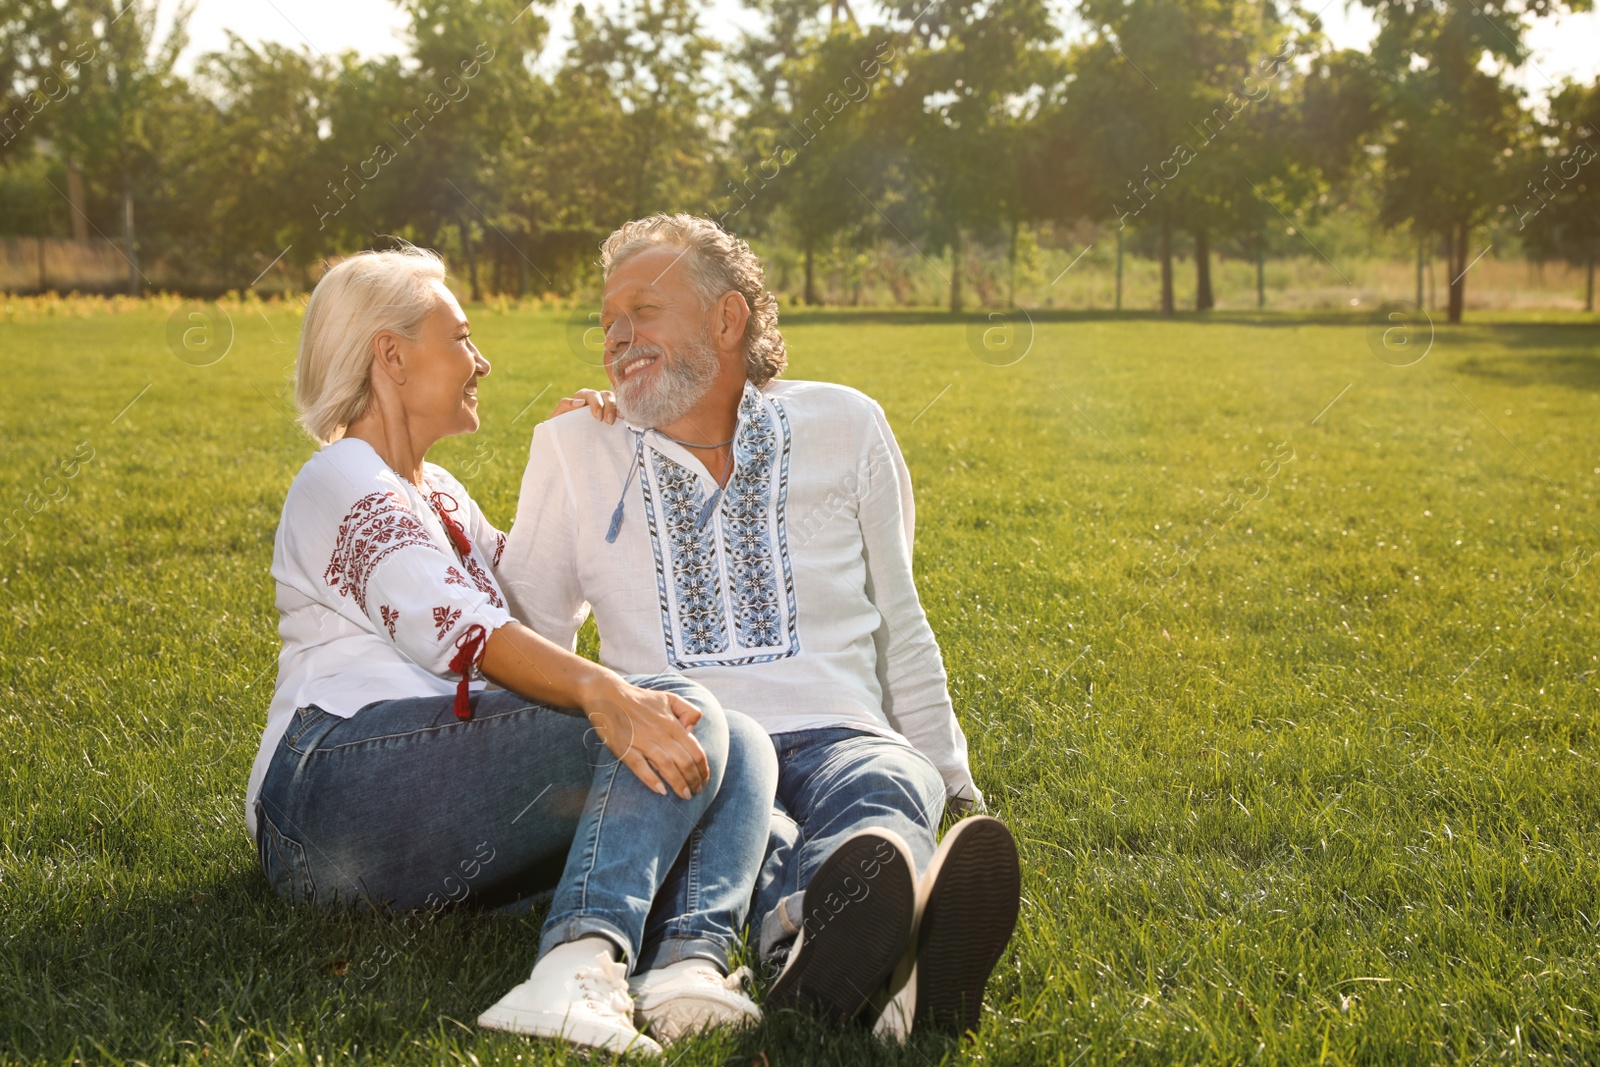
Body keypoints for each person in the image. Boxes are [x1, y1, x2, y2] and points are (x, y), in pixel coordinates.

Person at [244, 246, 777, 1056]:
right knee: (677, 711)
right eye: (459, 338)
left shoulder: (441, 492)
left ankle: (683, 970)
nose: (481, 360)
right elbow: (464, 631)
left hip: (419, 797)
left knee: (737, 737)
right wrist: (609, 695)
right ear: (390, 355)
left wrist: (593, 455)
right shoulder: (342, 478)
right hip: (323, 800)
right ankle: (573, 963)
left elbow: (534, 605)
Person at [499, 214, 1021, 1040]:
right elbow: (526, 631)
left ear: (727, 319)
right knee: (752, 827)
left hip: (843, 727)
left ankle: (847, 947)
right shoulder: (575, 446)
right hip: (705, 751)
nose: (616, 337)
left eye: (642, 311)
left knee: (889, 781)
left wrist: (951, 774)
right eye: (607, 322)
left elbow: (901, 614)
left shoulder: (847, 423)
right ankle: (861, 964)